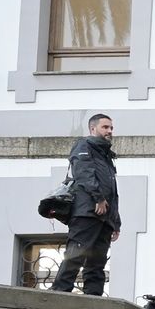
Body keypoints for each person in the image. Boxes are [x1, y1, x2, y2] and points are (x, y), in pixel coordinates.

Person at [51, 113, 119, 296]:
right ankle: (59, 293)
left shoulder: (106, 154)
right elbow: (84, 174)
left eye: (111, 128)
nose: (109, 131)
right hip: (87, 212)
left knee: (97, 263)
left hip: (105, 217)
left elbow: (113, 192)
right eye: (105, 127)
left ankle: (94, 299)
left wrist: (115, 222)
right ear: (93, 128)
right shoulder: (84, 146)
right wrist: (98, 198)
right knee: (76, 254)